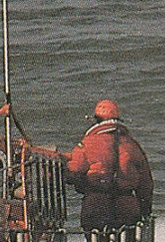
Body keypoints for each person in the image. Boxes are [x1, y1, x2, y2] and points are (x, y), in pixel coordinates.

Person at [64, 99, 154, 232]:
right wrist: (145, 211)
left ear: (96, 120)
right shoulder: (132, 145)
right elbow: (146, 184)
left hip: (96, 206)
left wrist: (82, 185)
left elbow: (74, 172)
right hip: (127, 207)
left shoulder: (88, 143)